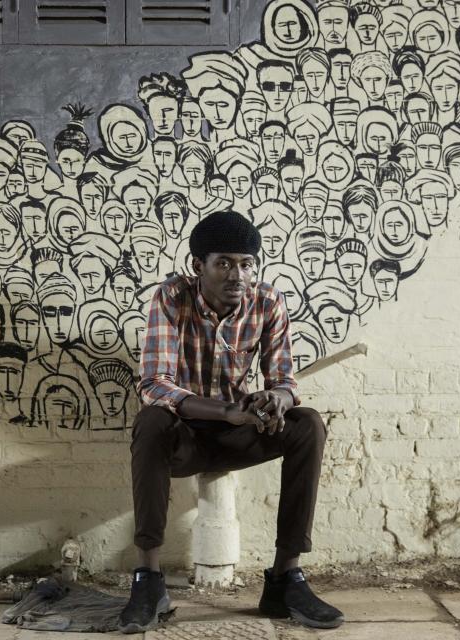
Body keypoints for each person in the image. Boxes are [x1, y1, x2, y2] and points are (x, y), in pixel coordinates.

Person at [118, 210, 344, 633]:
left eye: (246, 264)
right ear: (197, 266)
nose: (237, 274)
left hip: (240, 433)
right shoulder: (171, 297)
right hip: (184, 437)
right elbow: (155, 384)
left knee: (307, 423)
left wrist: (274, 398)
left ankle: (284, 579)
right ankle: (148, 579)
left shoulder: (268, 301)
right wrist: (224, 409)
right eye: (223, 263)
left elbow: (284, 380)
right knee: (150, 420)